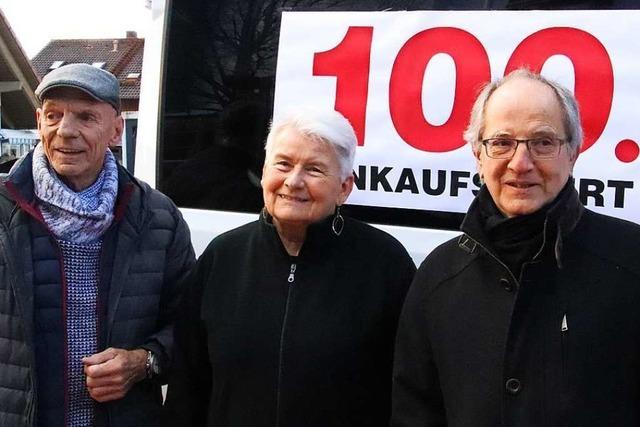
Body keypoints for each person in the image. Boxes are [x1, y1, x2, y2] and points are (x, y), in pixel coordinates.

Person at [391, 68, 640, 426]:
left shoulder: (631, 261)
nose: (520, 164)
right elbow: (414, 412)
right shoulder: (438, 276)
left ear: (573, 153)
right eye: (502, 142)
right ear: (478, 155)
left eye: (542, 142)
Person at [164, 108, 416, 426]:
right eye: (283, 164)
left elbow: (411, 391)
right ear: (265, 171)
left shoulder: (386, 265)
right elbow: (188, 386)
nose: (293, 181)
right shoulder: (222, 258)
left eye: (314, 170)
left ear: (344, 187)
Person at [0, 63, 195, 426]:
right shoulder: (4, 209)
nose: (65, 132)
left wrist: (144, 361)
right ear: (39, 120)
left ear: (117, 129)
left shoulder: (157, 217)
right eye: (54, 115)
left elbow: (190, 325)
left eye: (86, 117)